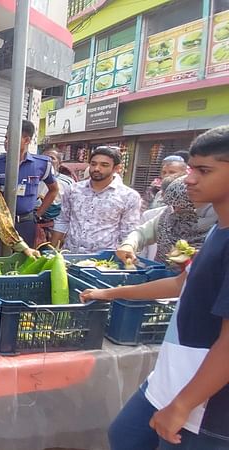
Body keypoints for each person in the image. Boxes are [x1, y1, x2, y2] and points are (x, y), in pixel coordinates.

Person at [81, 126, 229, 450]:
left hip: (204, 401)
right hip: (171, 377)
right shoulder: (219, 231)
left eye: (204, 170)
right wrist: (109, 293)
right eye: (191, 168)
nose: (189, 179)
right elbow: (181, 284)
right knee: (124, 435)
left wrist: (183, 404)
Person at [51, 146, 142, 253]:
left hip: (104, 262)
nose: (97, 168)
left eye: (104, 165)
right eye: (93, 164)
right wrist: (53, 251)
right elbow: (62, 221)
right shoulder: (74, 190)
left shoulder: (128, 196)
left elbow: (128, 232)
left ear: (117, 168)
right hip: (70, 255)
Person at [117, 177, 216, 269]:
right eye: (173, 206)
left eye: (182, 209)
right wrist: (129, 244)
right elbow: (141, 233)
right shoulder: (168, 214)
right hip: (160, 274)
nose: (175, 211)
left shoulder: (216, 226)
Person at [0, 120, 58, 250]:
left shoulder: (41, 164)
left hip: (25, 223)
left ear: (27, 140)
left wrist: (38, 214)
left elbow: (53, 190)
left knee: (23, 260)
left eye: (11, 138)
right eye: (6, 137)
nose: (6, 142)